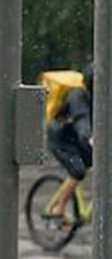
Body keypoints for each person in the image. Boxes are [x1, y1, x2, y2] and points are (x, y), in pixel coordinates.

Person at [46, 64, 94, 219]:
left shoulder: (96, 96)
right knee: (78, 171)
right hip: (61, 140)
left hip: (76, 138)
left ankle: (80, 209)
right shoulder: (78, 96)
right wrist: (88, 137)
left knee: (91, 161)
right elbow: (82, 120)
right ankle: (59, 209)